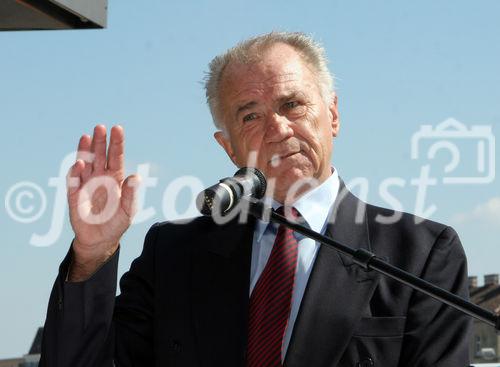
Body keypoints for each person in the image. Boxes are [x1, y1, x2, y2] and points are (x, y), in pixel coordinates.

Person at [40, 32, 471, 367]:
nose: (279, 128)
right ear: (227, 147)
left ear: (333, 114)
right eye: (251, 115)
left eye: (293, 104)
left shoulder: (422, 254)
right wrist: (92, 255)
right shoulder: (173, 254)